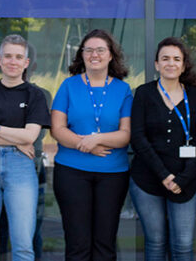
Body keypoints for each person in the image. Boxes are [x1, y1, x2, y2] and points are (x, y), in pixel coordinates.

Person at [50, 29, 133, 261]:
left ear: (110, 56)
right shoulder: (68, 86)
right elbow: (58, 129)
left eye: (100, 50)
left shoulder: (123, 90)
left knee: (105, 245)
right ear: (82, 55)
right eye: (88, 50)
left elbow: (125, 134)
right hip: (71, 173)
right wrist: (85, 145)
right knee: (77, 244)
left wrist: (96, 139)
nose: (94, 54)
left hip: (113, 175)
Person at [0, 35, 50, 261]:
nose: (13, 61)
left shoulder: (35, 95)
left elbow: (31, 135)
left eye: (18, 57)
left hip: (21, 167)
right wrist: (17, 138)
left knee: (23, 246)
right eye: (8, 56)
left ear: (26, 62)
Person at [129, 37, 196, 261]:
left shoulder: (194, 97)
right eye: (165, 58)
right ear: (156, 64)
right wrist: (164, 175)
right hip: (147, 179)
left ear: (183, 65)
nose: (171, 63)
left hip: (185, 181)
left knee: (182, 245)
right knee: (155, 242)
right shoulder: (143, 93)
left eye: (176, 59)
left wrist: (182, 178)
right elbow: (138, 138)